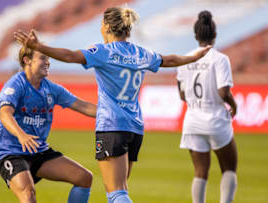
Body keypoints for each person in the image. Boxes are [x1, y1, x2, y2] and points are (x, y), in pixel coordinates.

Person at [14, 6, 211, 203]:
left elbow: (70, 56)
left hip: (111, 126)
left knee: (117, 194)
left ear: (107, 27)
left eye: (101, 25)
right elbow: (170, 60)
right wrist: (195, 56)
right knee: (120, 190)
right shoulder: (141, 53)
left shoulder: (104, 52)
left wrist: (40, 47)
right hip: (134, 127)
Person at [0, 45, 97, 203]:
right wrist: (22, 135)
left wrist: (113, 114)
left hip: (37, 150)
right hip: (10, 152)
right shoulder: (16, 84)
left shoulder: (51, 89)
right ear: (27, 61)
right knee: (28, 193)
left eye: (48, 58)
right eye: (43, 58)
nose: (48, 62)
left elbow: (83, 106)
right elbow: (5, 113)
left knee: (84, 178)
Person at [176, 10, 238, 203]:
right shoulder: (220, 59)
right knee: (229, 168)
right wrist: (233, 105)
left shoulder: (184, 60)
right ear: (215, 35)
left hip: (192, 120)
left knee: (200, 172)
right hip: (215, 119)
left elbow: (182, 94)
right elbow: (223, 92)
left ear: (196, 36)